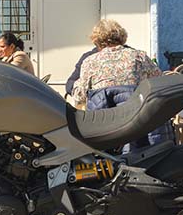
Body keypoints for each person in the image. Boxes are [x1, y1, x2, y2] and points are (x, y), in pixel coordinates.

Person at [72, 20, 173, 148]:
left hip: (103, 126)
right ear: (122, 37)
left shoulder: (89, 62)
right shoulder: (139, 57)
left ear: (96, 40)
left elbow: (79, 96)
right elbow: (159, 81)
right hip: (136, 124)